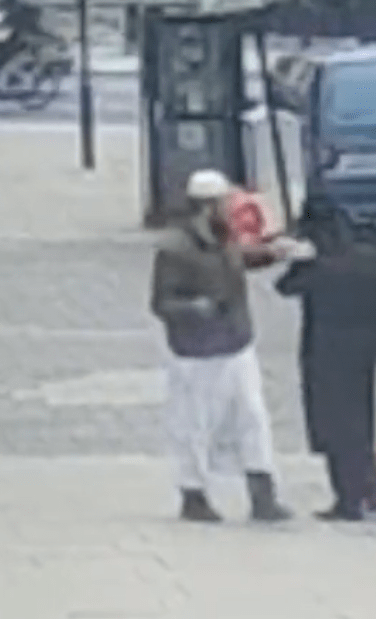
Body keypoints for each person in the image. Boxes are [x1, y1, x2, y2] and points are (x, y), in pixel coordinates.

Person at [151, 169, 298, 523]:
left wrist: (272, 254)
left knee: (252, 417)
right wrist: (196, 308)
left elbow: (237, 261)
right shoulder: (175, 248)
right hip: (197, 352)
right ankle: (194, 494)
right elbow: (161, 303)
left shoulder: (223, 237)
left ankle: (262, 492)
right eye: (224, 203)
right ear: (208, 206)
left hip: (235, 341)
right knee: (195, 424)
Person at [275, 200, 376, 521]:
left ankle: (348, 498)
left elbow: (285, 287)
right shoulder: (369, 251)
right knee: (361, 420)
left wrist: (300, 257)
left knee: (333, 424)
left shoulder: (319, 263)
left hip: (327, 351)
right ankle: (370, 487)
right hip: (364, 350)